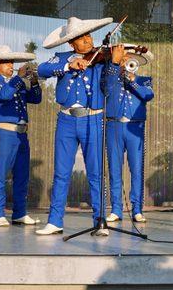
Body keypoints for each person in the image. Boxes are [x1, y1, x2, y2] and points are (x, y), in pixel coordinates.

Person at [35, 16, 115, 236]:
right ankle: (55, 221)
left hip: (93, 119)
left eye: (89, 36)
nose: (88, 41)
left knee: (96, 173)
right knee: (61, 173)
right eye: (82, 38)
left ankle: (100, 221)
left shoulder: (101, 58)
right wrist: (68, 65)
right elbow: (41, 70)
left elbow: (111, 84)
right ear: (72, 43)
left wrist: (115, 62)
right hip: (66, 120)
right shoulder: (61, 57)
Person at [0, 45, 41, 227]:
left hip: (20, 135)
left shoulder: (15, 83)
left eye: (12, 62)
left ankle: (19, 213)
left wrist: (34, 80)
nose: (11, 65)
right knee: (0, 174)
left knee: (22, 175)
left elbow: (36, 98)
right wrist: (19, 77)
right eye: (6, 62)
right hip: (3, 133)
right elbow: (4, 95)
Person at [104, 44, 154, 224]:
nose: (126, 63)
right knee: (114, 169)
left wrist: (132, 80)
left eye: (128, 61)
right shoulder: (111, 79)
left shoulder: (143, 80)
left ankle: (137, 209)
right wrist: (116, 70)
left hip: (135, 128)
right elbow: (105, 90)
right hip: (114, 126)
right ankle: (116, 209)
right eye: (123, 60)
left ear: (135, 63)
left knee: (137, 169)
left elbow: (148, 96)